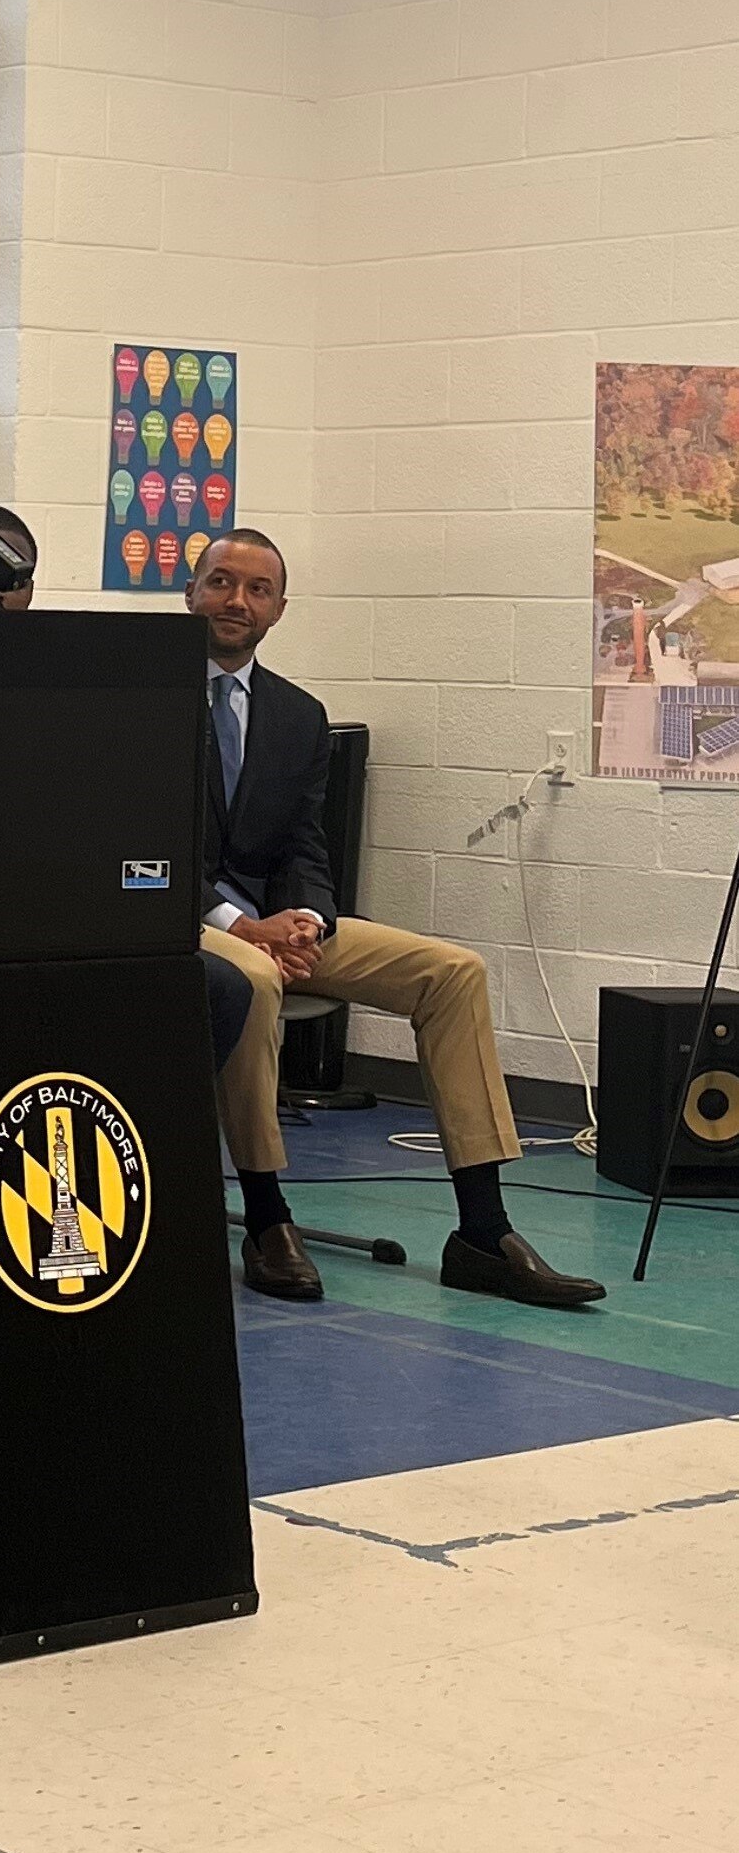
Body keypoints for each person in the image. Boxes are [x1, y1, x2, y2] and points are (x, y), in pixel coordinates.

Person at [189, 529, 602, 1307]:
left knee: (451, 973)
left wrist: (307, 916)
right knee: (254, 980)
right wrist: (242, 928)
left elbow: (306, 841)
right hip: (183, 922)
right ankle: (269, 1217)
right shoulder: (136, 693)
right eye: (221, 582)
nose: (236, 601)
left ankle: (482, 1230)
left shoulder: (299, 716)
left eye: (256, 589)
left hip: (273, 921)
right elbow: (132, 842)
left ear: (279, 608)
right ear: (192, 590)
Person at [0, 499, 255, 1066]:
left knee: (223, 989)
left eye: (13, 576)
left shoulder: (67, 677)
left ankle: (152, 1142)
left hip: (61, 906)